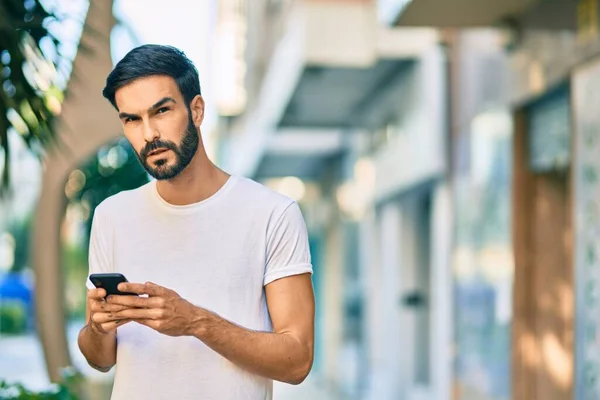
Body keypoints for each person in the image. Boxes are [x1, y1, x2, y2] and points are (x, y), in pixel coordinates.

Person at [77, 44, 315, 400]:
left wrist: (195, 322)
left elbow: (297, 361)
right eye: (132, 119)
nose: (148, 134)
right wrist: (97, 328)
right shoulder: (112, 216)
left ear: (197, 110)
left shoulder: (271, 214)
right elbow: (101, 359)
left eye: (161, 111)